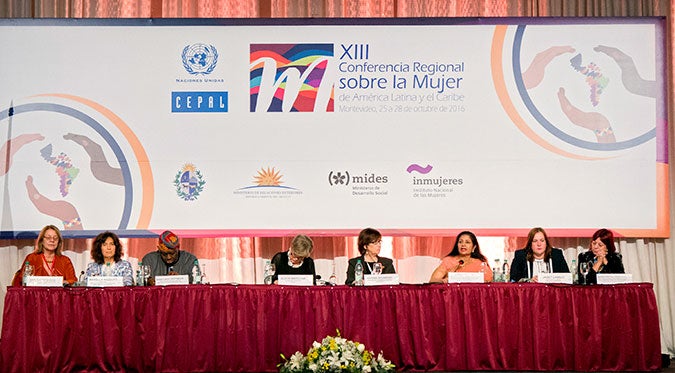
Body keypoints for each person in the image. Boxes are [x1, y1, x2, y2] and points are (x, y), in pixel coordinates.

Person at [12, 224, 77, 286]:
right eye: (48, 237)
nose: (52, 240)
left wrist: (65, 282)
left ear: (59, 242)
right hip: (36, 295)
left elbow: (73, 280)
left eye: (55, 238)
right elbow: (22, 280)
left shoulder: (65, 260)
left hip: (59, 296)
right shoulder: (32, 258)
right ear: (41, 241)